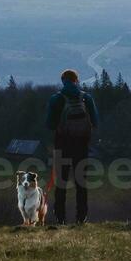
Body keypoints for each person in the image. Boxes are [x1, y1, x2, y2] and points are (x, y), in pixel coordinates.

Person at [46, 69, 99, 225]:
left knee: (61, 183)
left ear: (63, 81)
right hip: (81, 146)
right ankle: (81, 218)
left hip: (62, 145)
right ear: (76, 80)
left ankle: (60, 218)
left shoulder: (56, 99)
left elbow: (49, 124)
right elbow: (95, 122)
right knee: (81, 183)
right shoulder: (86, 98)